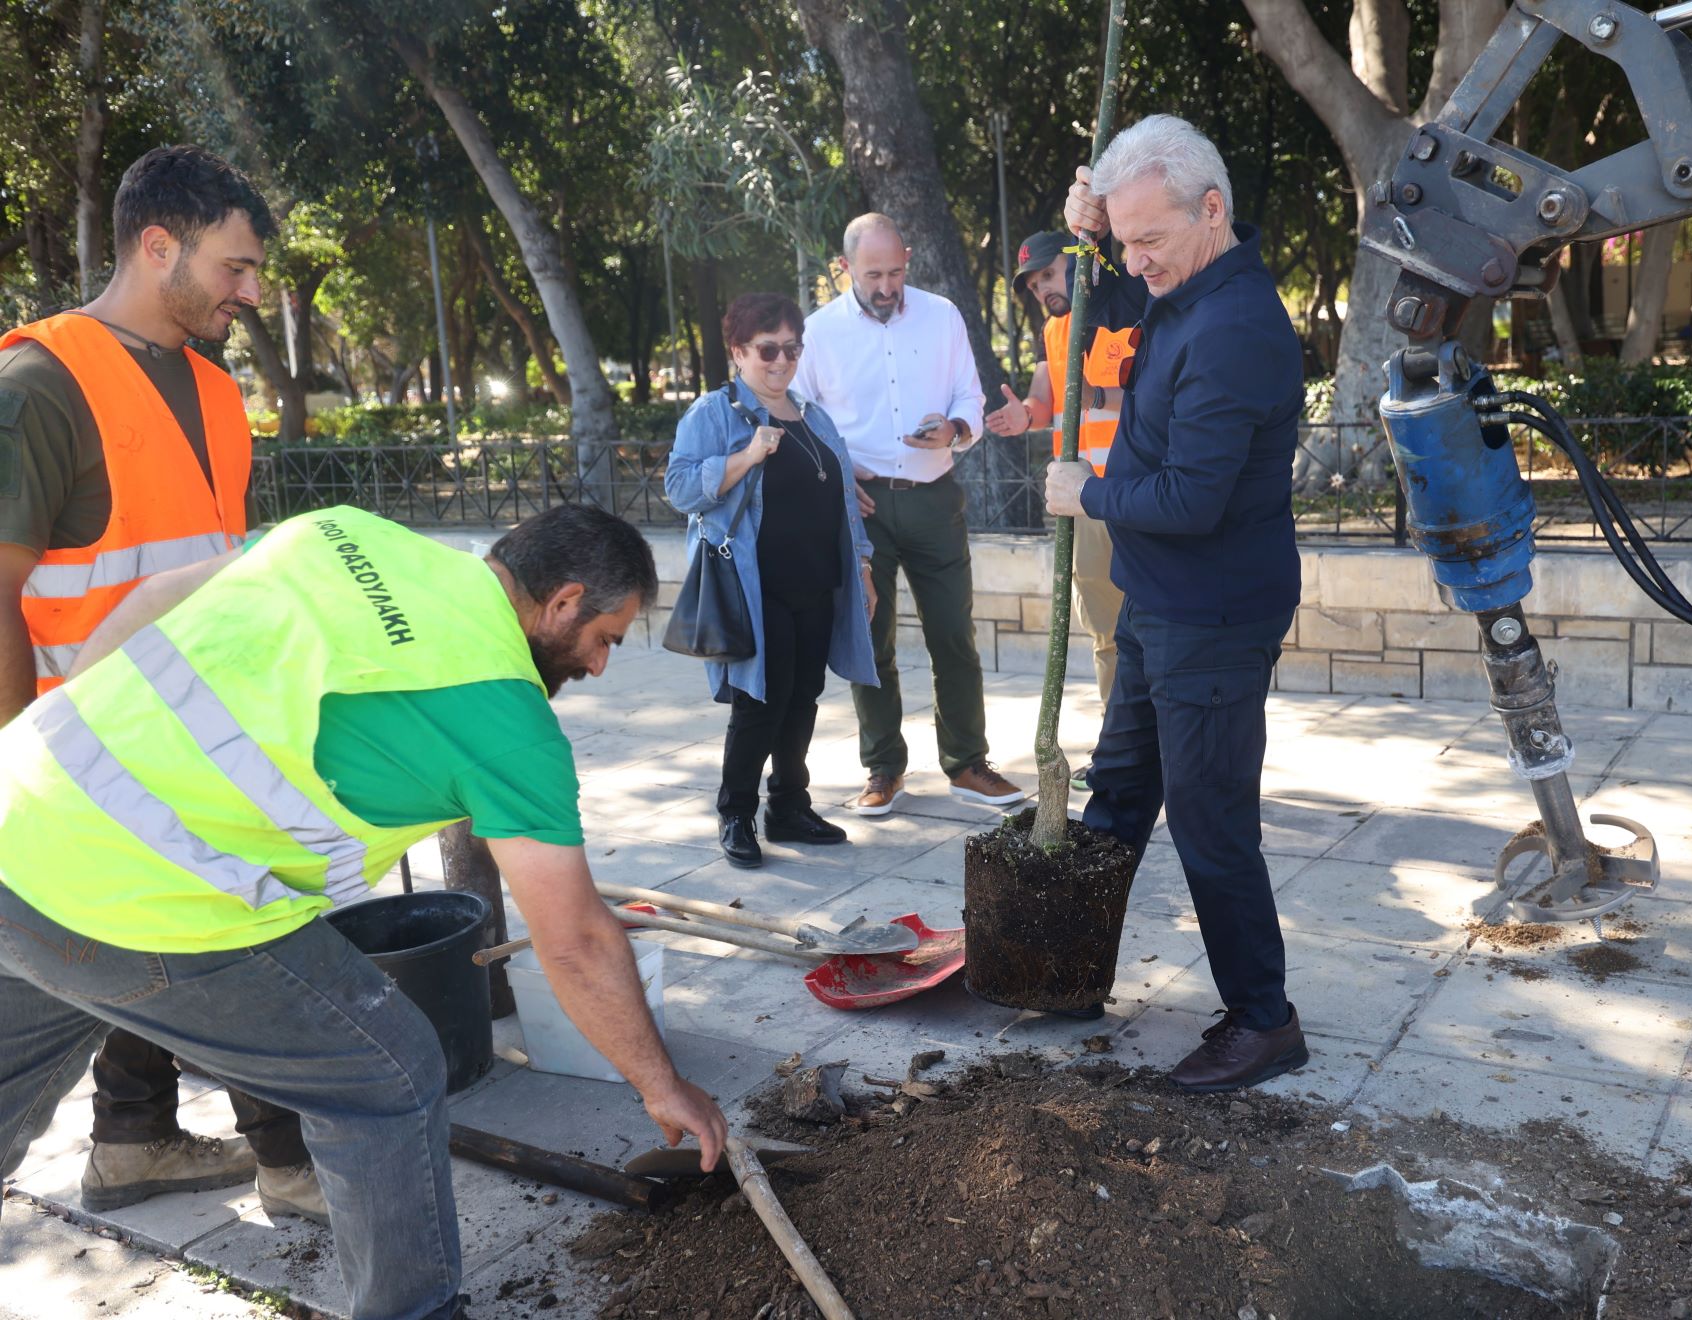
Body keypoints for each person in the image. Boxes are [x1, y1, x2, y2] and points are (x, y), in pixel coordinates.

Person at [0, 502, 729, 1320]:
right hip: (149, 898)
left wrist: (69, 758)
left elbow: (149, 601)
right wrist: (663, 1087)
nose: (598, 666)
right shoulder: (506, 719)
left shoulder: (347, 533)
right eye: (606, 638)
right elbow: (576, 943)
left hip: (17, 810)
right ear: (562, 602)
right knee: (386, 1072)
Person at [0, 145, 327, 1221]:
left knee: (172, 928)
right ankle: (292, 1159)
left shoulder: (214, 391)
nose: (249, 290)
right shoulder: (39, 386)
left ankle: (135, 1143)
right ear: (157, 246)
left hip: (196, 737)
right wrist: (19, 766)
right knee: (234, 926)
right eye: (233, 267)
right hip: (81, 752)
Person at [1049, 115, 1307, 1093]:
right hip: (1158, 603)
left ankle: (1263, 1020)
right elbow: (1119, 295)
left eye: (1149, 238)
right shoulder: (1187, 285)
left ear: (1213, 210)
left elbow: (1192, 503)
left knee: (1210, 822)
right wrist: (1090, 235)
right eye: (1127, 241)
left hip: (1214, 610)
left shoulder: (1239, 329)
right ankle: (1071, 971)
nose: (1137, 261)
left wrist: (1089, 495)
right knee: (1118, 795)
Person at [792, 213, 1022, 818]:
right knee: (870, 640)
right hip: (858, 507)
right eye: (874, 274)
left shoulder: (942, 315)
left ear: (909, 259)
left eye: (896, 271)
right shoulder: (817, 333)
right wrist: (839, 476)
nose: (887, 286)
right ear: (844, 269)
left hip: (934, 497)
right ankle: (883, 769)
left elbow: (969, 395)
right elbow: (801, 422)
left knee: (954, 634)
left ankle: (968, 764)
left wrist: (957, 426)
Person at [664, 293, 879, 868]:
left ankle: (788, 806)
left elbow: (844, 502)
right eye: (768, 350)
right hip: (755, 588)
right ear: (738, 352)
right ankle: (736, 813)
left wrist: (862, 565)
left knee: (803, 697)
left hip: (817, 581)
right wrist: (745, 457)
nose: (781, 361)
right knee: (760, 700)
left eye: (791, 348)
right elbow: (680, 489)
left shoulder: (813, 417)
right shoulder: (714, 414)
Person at [985, 229, 1141, 788]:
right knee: (1106, 631)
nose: (1043, 289)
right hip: (1081, 503)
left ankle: (1158, 748)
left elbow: (1154, 388)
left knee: (1151, 627)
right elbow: (1046, 399)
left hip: (1137, 495)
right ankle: (1119, 746)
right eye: (1033, 284)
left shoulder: (1124, 308)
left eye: (1049, 275)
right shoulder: (1054, 329)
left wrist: (1094, 395)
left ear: (1077, 265)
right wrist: (1023, 415)